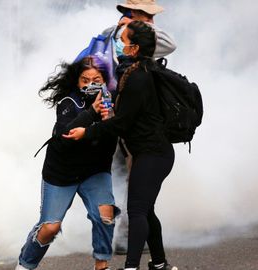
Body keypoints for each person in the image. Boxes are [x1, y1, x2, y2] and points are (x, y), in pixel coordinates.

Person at [63, 21, 178, 270]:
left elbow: (121, 124)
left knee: (136, 210)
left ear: (134, 48)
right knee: (146, 210)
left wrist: (88, 131)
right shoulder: (135, 71)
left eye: (123, 40)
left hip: (153, 154)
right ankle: (159, 264)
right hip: (151, 152)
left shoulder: (138, 77)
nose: (118, 43)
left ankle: (130, 267)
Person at [15, 56, 120, 270]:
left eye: (97, 79)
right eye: (85, 80)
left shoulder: (113, 102)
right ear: (77, 82)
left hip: (94, 170)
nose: (91, 84)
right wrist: (92, 113)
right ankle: (25, 264)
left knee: (105, 214)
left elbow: (114, 141)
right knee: (50, 228)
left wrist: (110, 119)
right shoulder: (68, 102)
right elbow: (65, 136)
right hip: (62, 172)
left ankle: (101, 264)